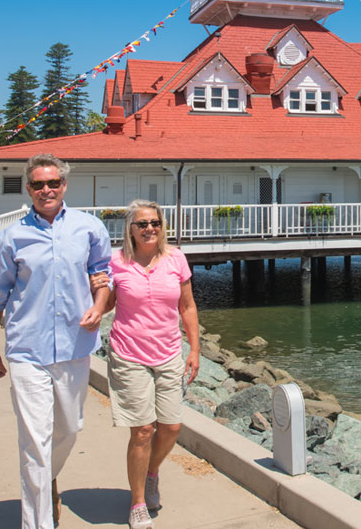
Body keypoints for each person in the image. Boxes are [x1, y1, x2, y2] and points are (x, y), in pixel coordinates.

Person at [0, 154, 112, 529]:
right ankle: (38, 522)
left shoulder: (89, 229)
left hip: (75, 346)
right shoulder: (12, 237)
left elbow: (102, 276)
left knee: (70, 429)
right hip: (27, 348)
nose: (46, 190)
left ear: (64, 185)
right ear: (28, 189)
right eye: (38, 184)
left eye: (53, 183)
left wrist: (99, 307)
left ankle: (47, 479)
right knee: (34, 442)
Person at [104, 199, 200, 529]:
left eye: (155, 223)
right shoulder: (116, 263)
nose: (150, 229)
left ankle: (151, 472)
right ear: (130, 229)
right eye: (142, 224)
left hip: (170, 352)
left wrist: (195, 349)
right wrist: (91, 299)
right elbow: (106, 306)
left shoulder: (176, 259)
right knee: (143, 430)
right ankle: (138, 502)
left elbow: (187, 307)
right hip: (129, 354)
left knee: (171, 427)